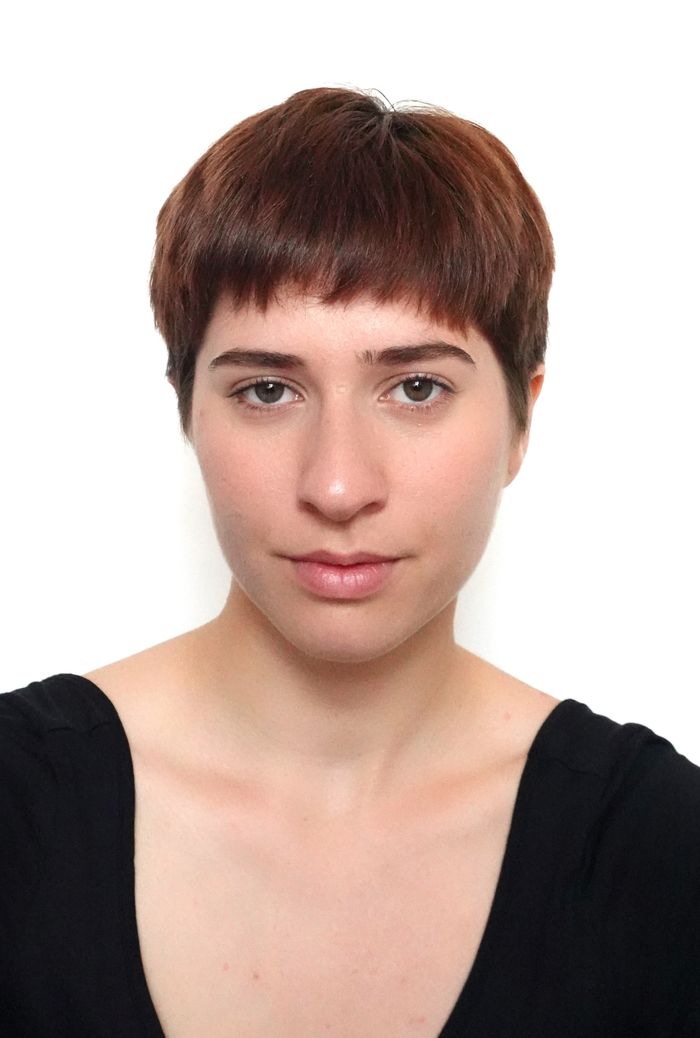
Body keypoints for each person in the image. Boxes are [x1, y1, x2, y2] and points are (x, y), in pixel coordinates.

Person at [1, 87, 698, 1038]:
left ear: (521, 421)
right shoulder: (14, 810)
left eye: (416, 388)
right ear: (187, 411)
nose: (337, 485)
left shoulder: (663, 854)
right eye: (267, 390)